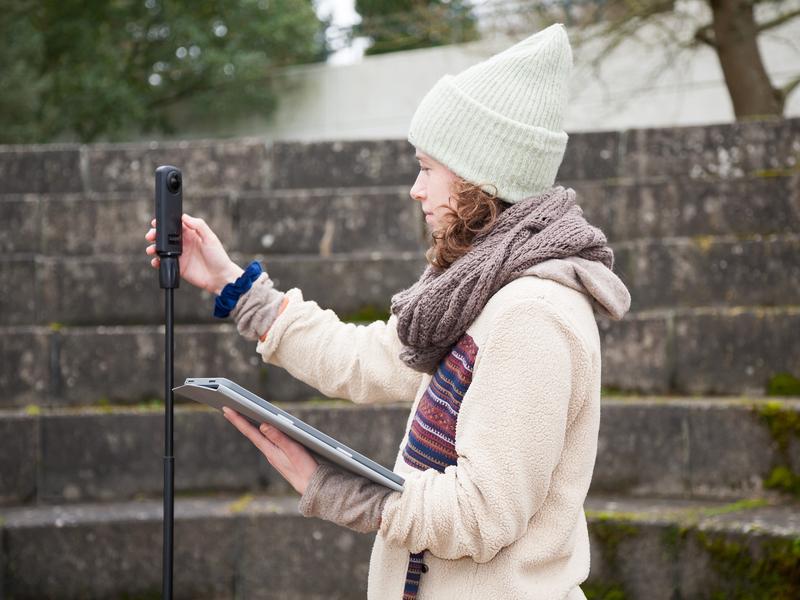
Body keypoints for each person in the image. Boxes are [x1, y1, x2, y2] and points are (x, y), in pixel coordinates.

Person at [145, 23, 631, 600]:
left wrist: (339, 489)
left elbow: (482, 513)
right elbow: (367, 357)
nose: (414, 190)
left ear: (481, 178)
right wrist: (234, 286)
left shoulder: (532, 313)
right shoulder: (477, 294)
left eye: (427, 168)